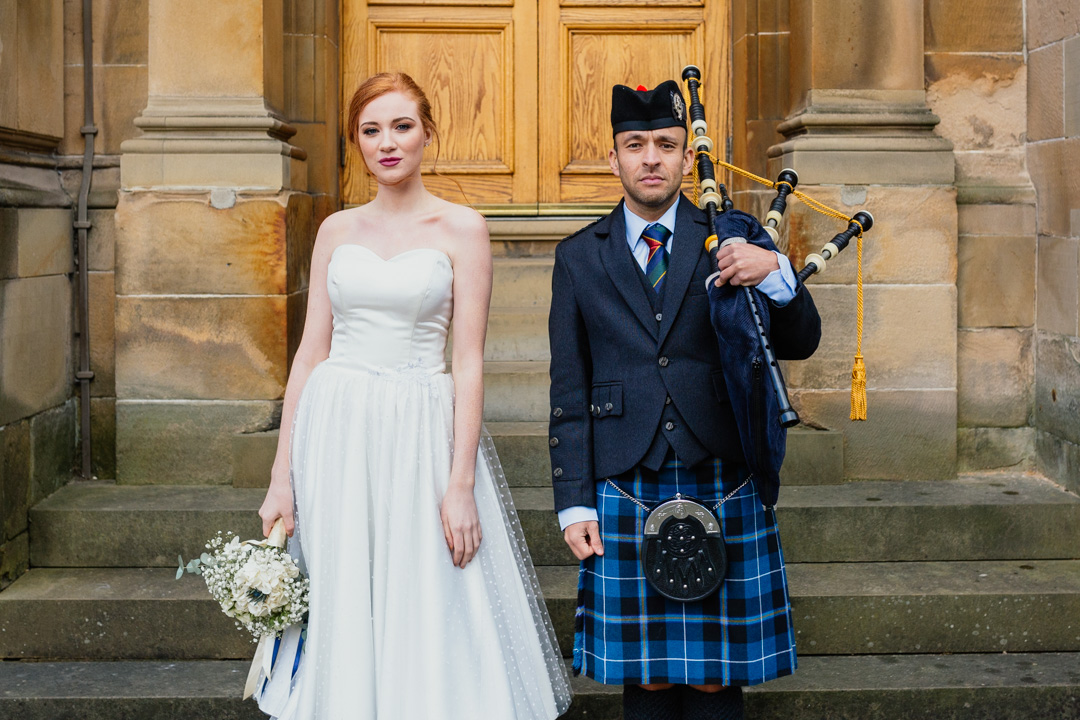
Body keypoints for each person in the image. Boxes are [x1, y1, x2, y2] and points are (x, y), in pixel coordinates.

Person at [255, 72, 571, 720]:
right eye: (371, 130)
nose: (387, 143)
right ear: (356, 143)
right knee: (346, 587)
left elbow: (468, 360)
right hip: (338, 430)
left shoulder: (462, 228)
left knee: (425, 586)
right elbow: (310, 354)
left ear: (428, 132)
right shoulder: (336, 230)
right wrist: (282, 475)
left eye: (401, 126)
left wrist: (460, 483)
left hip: (421, 427)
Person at [548, 81, 821, 720]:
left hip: (723, 470)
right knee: (644, 676)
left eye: (666, 145)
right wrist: (573, 501)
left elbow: (801, 341)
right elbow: (569, 389)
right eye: (635, 145)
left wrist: (776, 275)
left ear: (687, 157)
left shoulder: (732, 236)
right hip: (623, 477)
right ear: (613, 157)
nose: (651, 158)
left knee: (712, 678)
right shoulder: (579, 257)